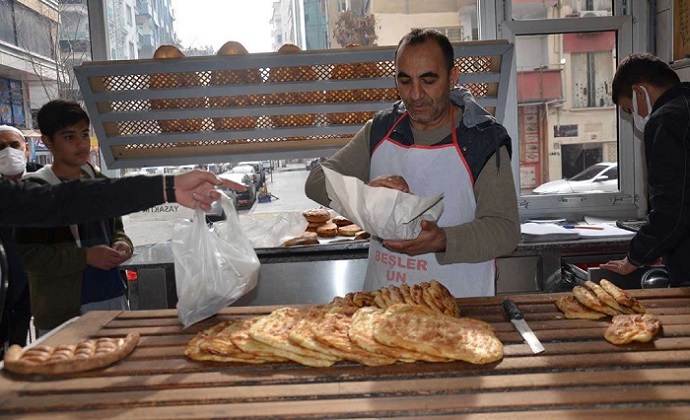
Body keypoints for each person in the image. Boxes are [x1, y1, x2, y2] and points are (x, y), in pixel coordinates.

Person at [305, 28, 520, 297]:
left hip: (457, 308)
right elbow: (315, 181)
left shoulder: (481, 140)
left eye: (428, 80)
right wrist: (366, 196)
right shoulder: (381, 130)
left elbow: (505, 230)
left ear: (452, 77)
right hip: (384, 305)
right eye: (405, 81)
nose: (415, 95)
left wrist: (442, 240)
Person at [15, 100, 133, 335]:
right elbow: (30, 256)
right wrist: (86, 256)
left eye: (84, 134)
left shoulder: (97, 181)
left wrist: (123, 244)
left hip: (111, 295)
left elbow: (116, 228)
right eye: (69, 137)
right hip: (62, 309)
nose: (81, 144)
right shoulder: (35, 190)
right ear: (47, 141)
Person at [600, 53, 690, 286]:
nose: (633, 118)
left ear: (640, 92)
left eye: (629, 110)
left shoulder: (666, 121)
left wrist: (635, 257)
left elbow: (673, 207)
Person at [0, 125, 42, 353]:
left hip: (44, 273)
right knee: (12, 340)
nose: (8, 151)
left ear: (26, 149)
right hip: (8, 278)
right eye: (1, 147)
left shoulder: (45, 178)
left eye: (14, 145)